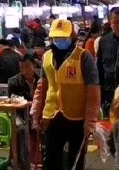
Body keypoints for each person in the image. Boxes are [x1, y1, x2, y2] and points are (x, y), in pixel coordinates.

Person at [31, 19, 100, 170]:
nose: (60, 41)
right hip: (51, 116)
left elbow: (93, 90)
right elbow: (42, 87)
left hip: (77, 117)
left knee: (75, 161)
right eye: (56, 38)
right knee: (50, 160)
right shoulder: (47, 57)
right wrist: (36, 112)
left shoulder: (84, 57)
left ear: (72, 37)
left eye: (64, 37)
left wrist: (91, 120)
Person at [8, 53, 40, 169]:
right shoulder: (13, 82)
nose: (24, 70)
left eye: (27, 66)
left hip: (37, 114)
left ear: (34, 65)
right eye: (21, 67)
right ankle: (22, 163)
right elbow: (12, 101)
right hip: (19, 114)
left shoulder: (42, 80)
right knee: (20, 128)